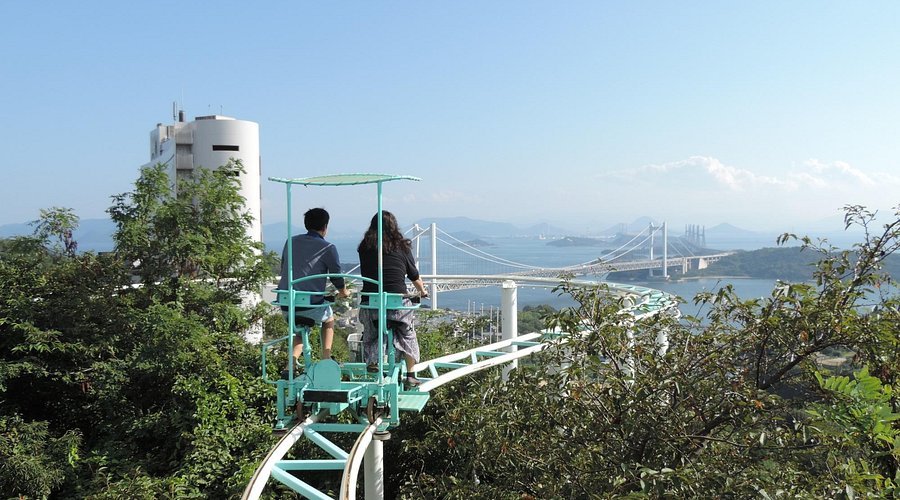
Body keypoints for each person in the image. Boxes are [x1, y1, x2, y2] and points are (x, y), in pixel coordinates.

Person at [357, 211, 429, 387]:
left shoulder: (364, 247)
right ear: (394, 226)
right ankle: (411, 375)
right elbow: (414, 275)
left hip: (371, 304)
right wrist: (423, 291)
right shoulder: (402, 247)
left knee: (371, 334)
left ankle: (373, 362)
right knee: (408, 334)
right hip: (398, 304)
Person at [278, 208, 351, 371]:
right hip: (310, 306)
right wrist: (343, 291)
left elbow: (284, 267)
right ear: (325, 226)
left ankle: (291, 364)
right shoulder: (328, 247)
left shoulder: (291, 241)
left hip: (287, 305)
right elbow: (336, 276)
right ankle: (326, 358)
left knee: (300, 330)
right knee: (329, 319)